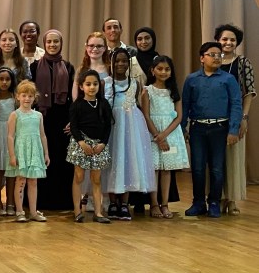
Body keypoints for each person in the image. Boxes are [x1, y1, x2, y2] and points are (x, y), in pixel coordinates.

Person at [181, 41, 243, 218]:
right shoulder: (192, 79)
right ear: (202, 58)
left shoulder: (228, 79)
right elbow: (185, 105)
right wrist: (182, 128)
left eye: (219, 55)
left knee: (217, 167)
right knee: (198, 167)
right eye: (212, 55)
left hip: (220, 128)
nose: (217, 58)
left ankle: (214, 201)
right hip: (198, 128)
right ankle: (198, 202)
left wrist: (233, 130)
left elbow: (236, 104)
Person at [102, 48, 155, 220]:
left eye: (124, 60)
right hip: (112, 125)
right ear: (111, 62)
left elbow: (137, 103)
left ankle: (124, 202)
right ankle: (112, 202)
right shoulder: (105, 83)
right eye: (117, 61)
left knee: (128, 159)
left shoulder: (135, 83)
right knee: (112, 160)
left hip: (131, 126)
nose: (120, 64)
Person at [29, 29, 75, 212]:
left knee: (62, 160)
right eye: (49, 42)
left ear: (61, 44)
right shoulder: (33, 67)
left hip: (62, 121)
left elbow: (73, 96)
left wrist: (73, 120)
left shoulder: (69, 67)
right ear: (44, 44)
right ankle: (40, 201)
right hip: (41, 119)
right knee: (41, 159)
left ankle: (62, 201)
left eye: (56, 42)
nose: (52, 45)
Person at [215, 23, 255, 215]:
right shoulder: (211, 61)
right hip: (213, 117)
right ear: (217, 41)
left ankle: (231, 199)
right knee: (215, 159)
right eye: (224, 39)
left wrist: (244, 117)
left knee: (233, 159)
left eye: (232, 39)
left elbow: (250, 92)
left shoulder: (243, 62)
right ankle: (217, 197)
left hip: (235, 116)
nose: (228, 42)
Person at [144, 56, 188, 219]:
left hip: (170, 134)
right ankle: (154, 204)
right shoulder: (147, 90)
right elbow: (146, 116)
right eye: (160, 69)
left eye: (167, 69)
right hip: (153, 134)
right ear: (153, 70)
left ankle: (165, 204)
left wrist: (164, 135)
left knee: (167, 170)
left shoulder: (174, 91)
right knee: (154, 169)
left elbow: (179, 117)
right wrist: (157, 135)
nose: (163, 72)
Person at [67, 70, 113, 223]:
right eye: (88, 84)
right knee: (79, 176)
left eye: (95, 84)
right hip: (81, 144)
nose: (92, 87)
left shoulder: (103, 104)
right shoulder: (77, 105)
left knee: (97, 179)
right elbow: (73, 127)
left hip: (98, 144)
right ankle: (77, 210)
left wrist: (103, 143)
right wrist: (81, 142)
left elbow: (108, 126)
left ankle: (98, 212)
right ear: (81, 87)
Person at [6, 80, 49, 223]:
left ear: (34, 97)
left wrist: (46, 153)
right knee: (20, 180)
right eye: (24, 95)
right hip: (21, 151)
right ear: (18, 96)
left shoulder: (38, 116)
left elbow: (42, 135)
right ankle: (19, 211)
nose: (27, 99)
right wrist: (12, 155)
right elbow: (10, 136)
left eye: (30, 96)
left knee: (33, 181)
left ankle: (33, 211)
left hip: (35, 151)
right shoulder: (15, 115)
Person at [0, 67, 17, 216]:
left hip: (12, 134)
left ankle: (11, 203)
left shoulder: (15, 98)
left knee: (12, 171)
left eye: (7, 79)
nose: (4, 82)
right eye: (1, 79)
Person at [73, 32, 112, 101]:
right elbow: (75, 96)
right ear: (86, 47)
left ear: (105, 48)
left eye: (99, 46)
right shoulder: (81, 70)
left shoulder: (110, 69)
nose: (95, 49)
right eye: (91, 46)